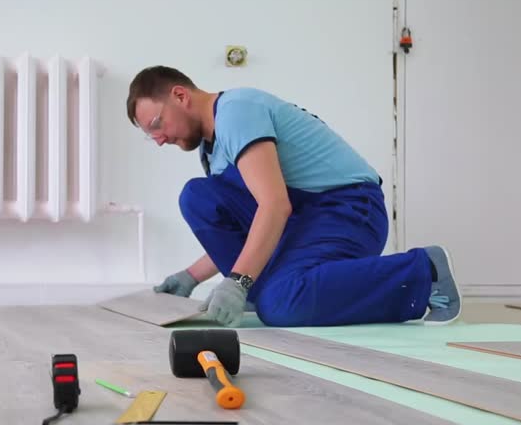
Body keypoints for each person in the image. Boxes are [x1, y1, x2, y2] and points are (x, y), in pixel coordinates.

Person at [126, 65, 462, 328]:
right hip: (302, 220)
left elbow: (274, 205)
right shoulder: (212, 153)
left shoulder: (236, 111)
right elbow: (252, 225)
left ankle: (424, 271)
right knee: (198, 197)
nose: (158, 139)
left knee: (282, 304)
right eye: (149, 136)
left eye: (156, 124)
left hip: (348, 209)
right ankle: (268, 291)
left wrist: (237, 282)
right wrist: (191, 276)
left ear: (181, 95)